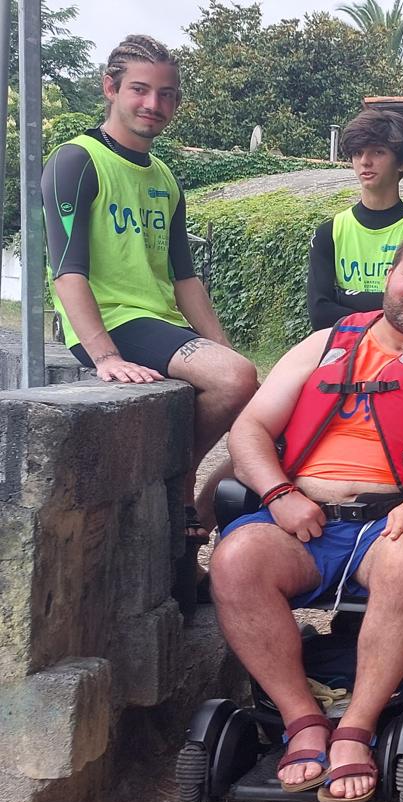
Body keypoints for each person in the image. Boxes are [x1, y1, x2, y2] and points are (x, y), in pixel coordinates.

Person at [209, 229, 403, 802]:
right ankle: (302, 720)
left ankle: (356, 728)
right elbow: (249, 428)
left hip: (394, 524)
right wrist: (277, 494)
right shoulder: (323, 344)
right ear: (390, 278)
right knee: (235, 559)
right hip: (301, 518)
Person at [42, 34, 258, 542]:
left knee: (265, 416)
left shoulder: (165, 176)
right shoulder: (77, 160)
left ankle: (197, 526)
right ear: (110, 88)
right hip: (113, 320)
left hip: (160, 323)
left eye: (167, 94)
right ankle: (179, 482)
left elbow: (185, 278)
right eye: (140, 90)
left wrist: (222, 348)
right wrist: (104, 356)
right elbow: (67, 270)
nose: (153, 104)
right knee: (234, 380)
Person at [307, 108, 403, 330]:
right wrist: (386, 310)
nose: (365, 161)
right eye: (357, 153)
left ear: (402, 162)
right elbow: (319, 314)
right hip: (343, 354)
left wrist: (342, 297)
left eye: (378, 152)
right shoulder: (329, 233)